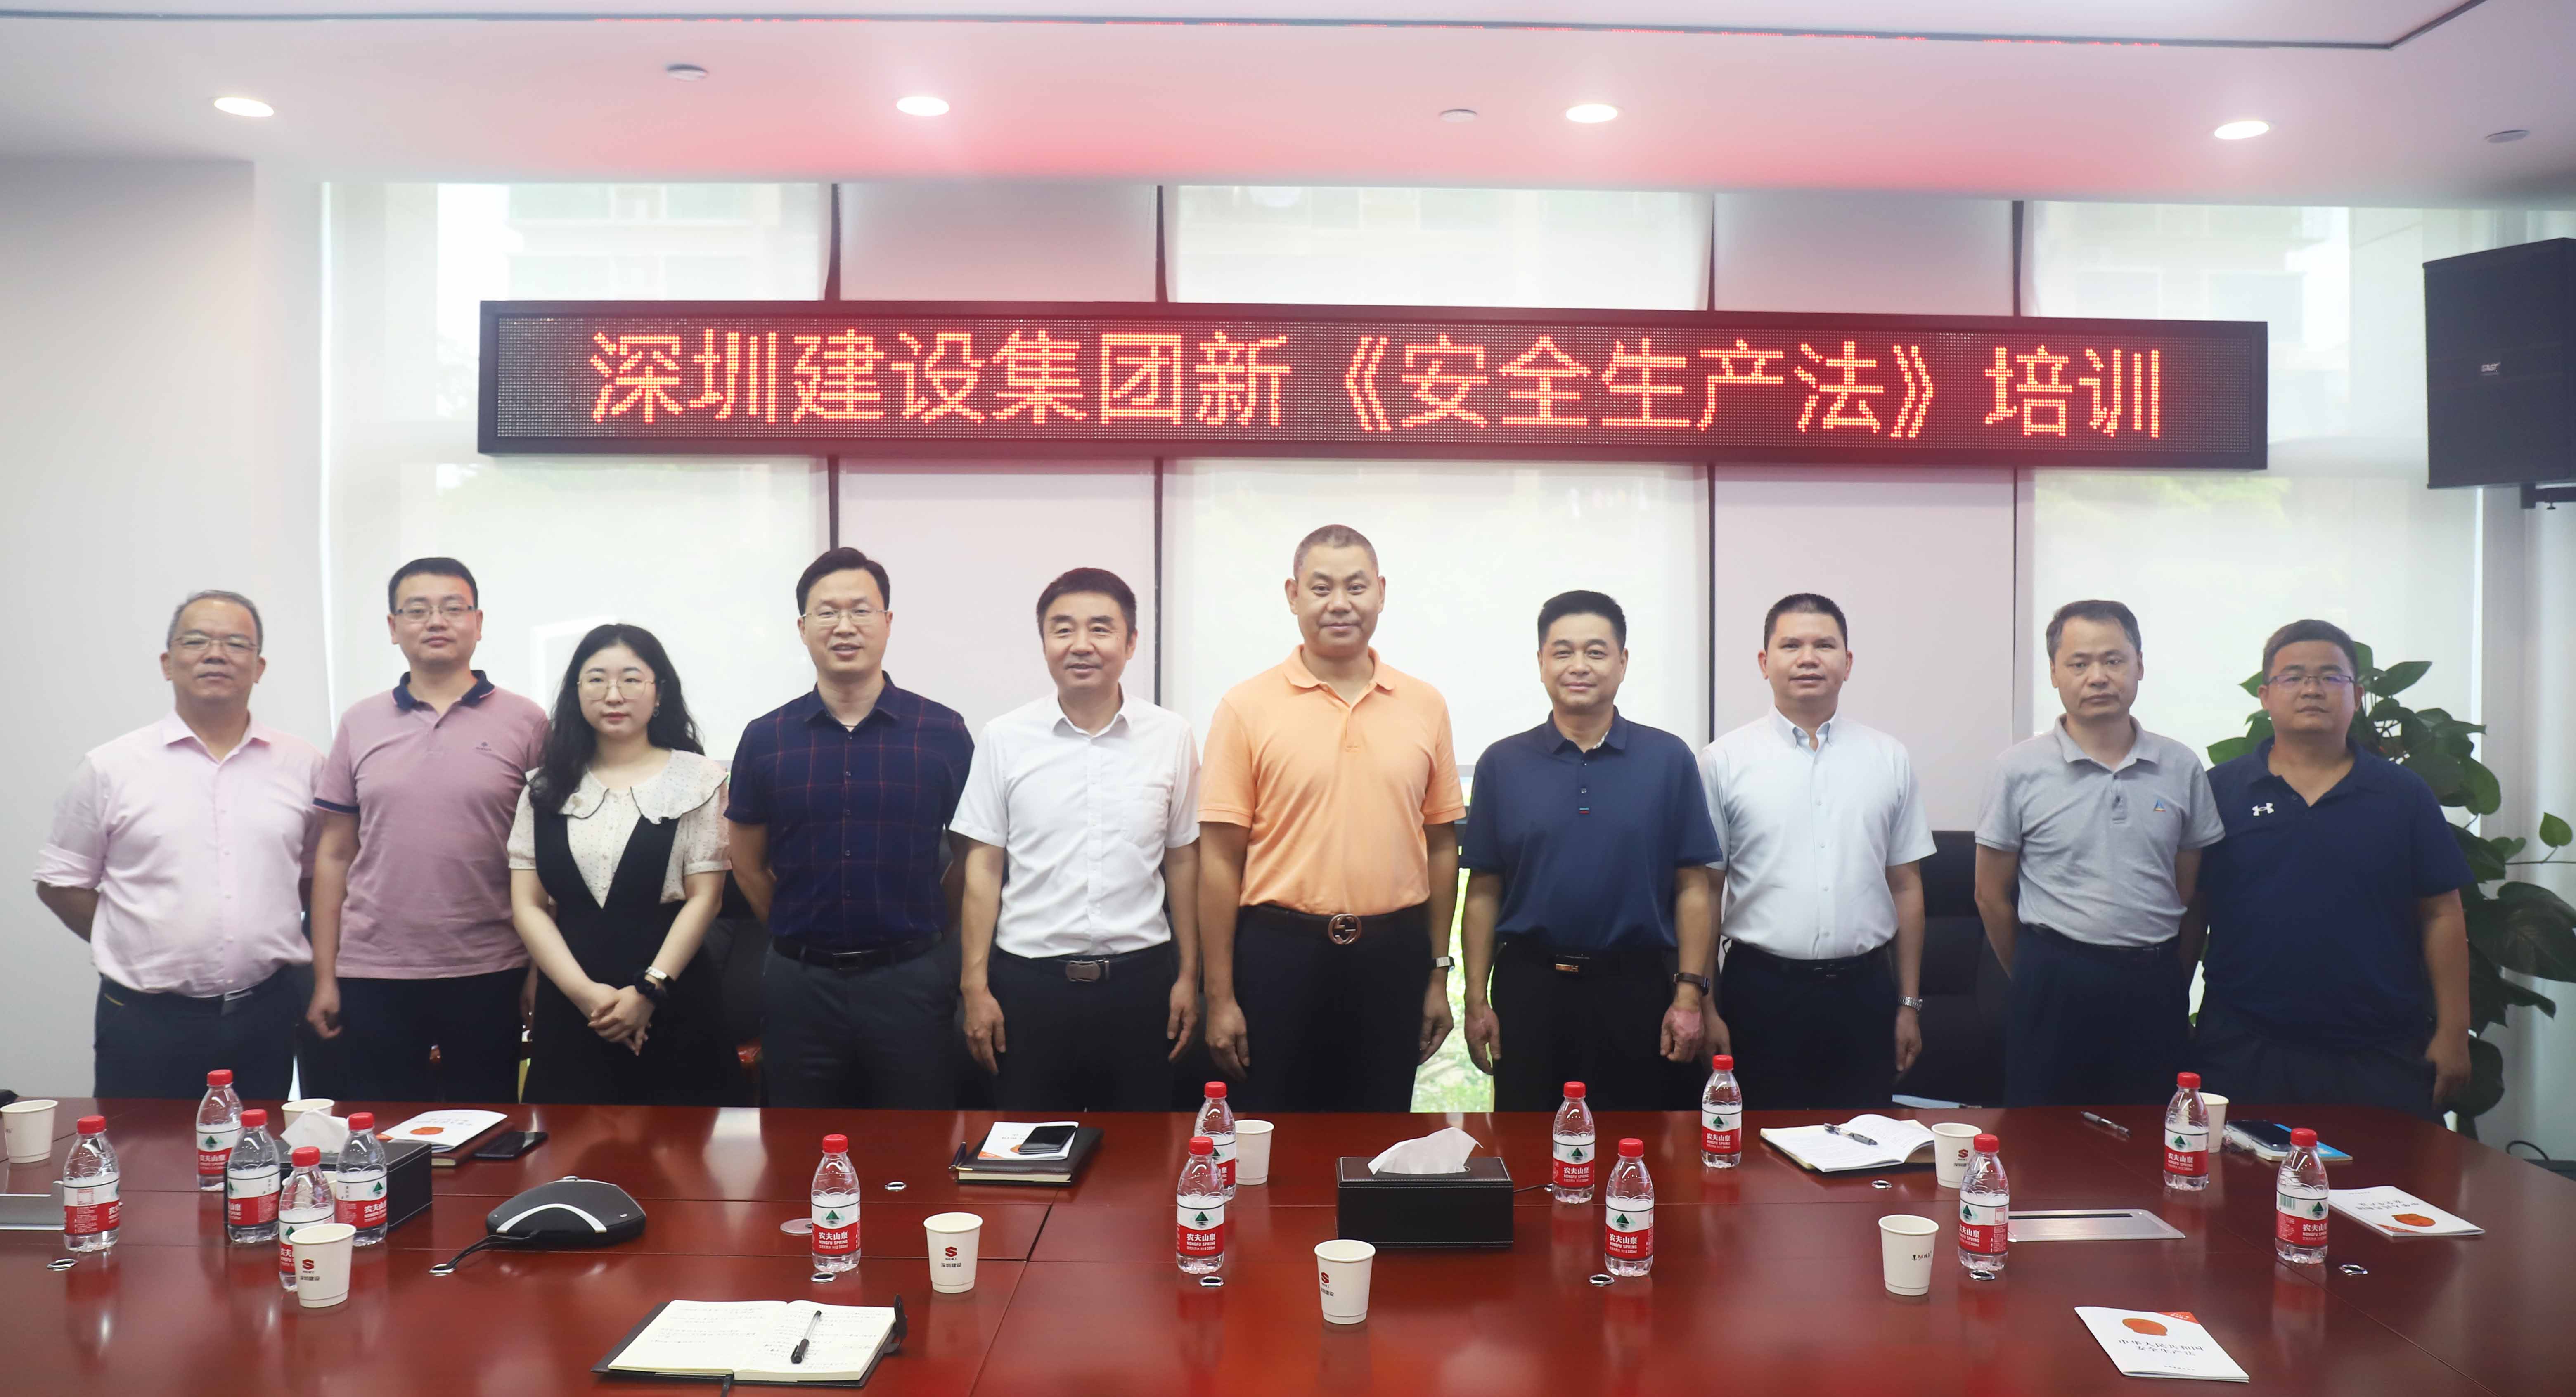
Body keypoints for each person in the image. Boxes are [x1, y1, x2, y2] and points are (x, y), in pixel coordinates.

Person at [1198, 524, 1467, 1113]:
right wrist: (1219, 997)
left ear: (1381, 593)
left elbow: (1442, 845)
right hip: (1277, 954)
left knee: (1377, 1135)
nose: (1339, 604)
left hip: (1393, 955)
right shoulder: (1245, 707)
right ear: (1293, 595)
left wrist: (1437, 974)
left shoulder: (1425, 705)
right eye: (1321, 588)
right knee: (1271, 1134)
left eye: (1356, 587)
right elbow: (1218, 859)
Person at [34, 592, 322, 1099]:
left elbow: (316, 877)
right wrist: (133, 938)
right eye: (197, 641)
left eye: (236, 644)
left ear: (259, 668)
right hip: (145, 1019)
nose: (216, 655)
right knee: (142, 1148)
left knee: (257, 1148)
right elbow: (60, 883)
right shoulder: (111, 767)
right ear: (168, 663)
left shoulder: (304, 765)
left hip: (268, 1014)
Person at [2190, 619, 2474, 1120]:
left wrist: (2453, 1034)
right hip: (2244, 1049)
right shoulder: (2221, 791)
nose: (2312, 689)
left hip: (2380, 1054)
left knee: (2391, 1173)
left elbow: (2442, 914)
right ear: (2265, 695)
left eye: (2330, 677)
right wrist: (2171, 1016)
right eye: (2293, 676)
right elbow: (2193, 912)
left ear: (2357, 696)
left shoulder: (2404, 795)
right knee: (2239, 1173)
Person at [728, 547, 973, 1109]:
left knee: (918, 1143)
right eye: (827, 612)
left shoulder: (941, 731)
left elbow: (971, 857)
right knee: (795, 1144)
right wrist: (795, 929)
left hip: (910, 979)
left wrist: (930, 933)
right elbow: (746, 862)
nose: (844, 626)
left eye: (861, 610)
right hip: (799, 984)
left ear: (887, 622)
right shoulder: (766, 738)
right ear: (803, 628)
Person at [952, 568, 1202, 1111]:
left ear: (1131, 643)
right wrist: (975, 986)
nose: (1081, 644)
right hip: (1029, 987)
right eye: (1063, 629)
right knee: (1027, 1151)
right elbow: (983, 867)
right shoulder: (1004, 738)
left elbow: (1183, 861)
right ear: (1044, 641)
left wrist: (1189, 975)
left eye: (1101, 629)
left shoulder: (1172, 736)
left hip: (1141, 985)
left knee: (1142, 1151)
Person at [1458, 591, 1719, 1111]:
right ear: (1541, 662)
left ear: (1623, 662)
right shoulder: (1502, 764)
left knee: (1642, 1143)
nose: (1579, 666)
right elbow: (1484, 890)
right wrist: (1475, 998)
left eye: (1596, 652)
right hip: (1530, 990)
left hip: (1637, 989)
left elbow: (1694, 887)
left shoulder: (1668, 758)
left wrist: (1690, 995)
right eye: (1563, 652)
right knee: (1530, 1141)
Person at [306, 559, 548, 1103]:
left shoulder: (527, 722)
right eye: (417, 610)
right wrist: (325, 977)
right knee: (383, 1131)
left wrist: (539, 970)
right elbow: (334, 854)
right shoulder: (360, 722)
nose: (436, 621)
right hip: (375, 969)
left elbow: (544, 858)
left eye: (452, 608)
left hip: (492, 965)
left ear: (478, 623)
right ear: (394, 628)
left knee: (487, 1127)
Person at [1975, 599, 2224, 1107]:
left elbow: (2187, 891)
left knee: (2150, 1131)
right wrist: (2035, 973)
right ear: (2054, 673)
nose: (2098, 677)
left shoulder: (2180, 766)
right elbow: (1990, 894)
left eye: (2113, 661)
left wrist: (2172, 974)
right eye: (2079, 663)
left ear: (2139, 666)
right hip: (2054, 978)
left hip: (2153, 981)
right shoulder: (2018, 769)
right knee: (2042, 1136)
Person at [1698, 593, 1935, 1111]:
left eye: (1824, 646)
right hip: (1760, 991)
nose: (1808, 658)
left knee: (1865, 1140)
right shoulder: (1723, 761)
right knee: (1758, 1145)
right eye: (1791, 646)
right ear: (1765, 662)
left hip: (1864, 992)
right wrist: (1708, 1006)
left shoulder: (1888, 758)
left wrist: (1909, 1005)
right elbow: (1707, 891)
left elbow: (1906, 885)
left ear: (1847, 663)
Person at [506, 625, 733, 1105]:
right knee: (567, 1146)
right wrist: (587, 996)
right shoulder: (543, 788)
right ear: (576, 692)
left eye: (631, 679)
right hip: (572, 1005)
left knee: (685, 1144)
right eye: (596, 680)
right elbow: (527, 906)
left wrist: (647, 992)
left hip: (675, 999)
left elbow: (706, 899)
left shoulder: (699, 780)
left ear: (659, 691)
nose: (613, 695)